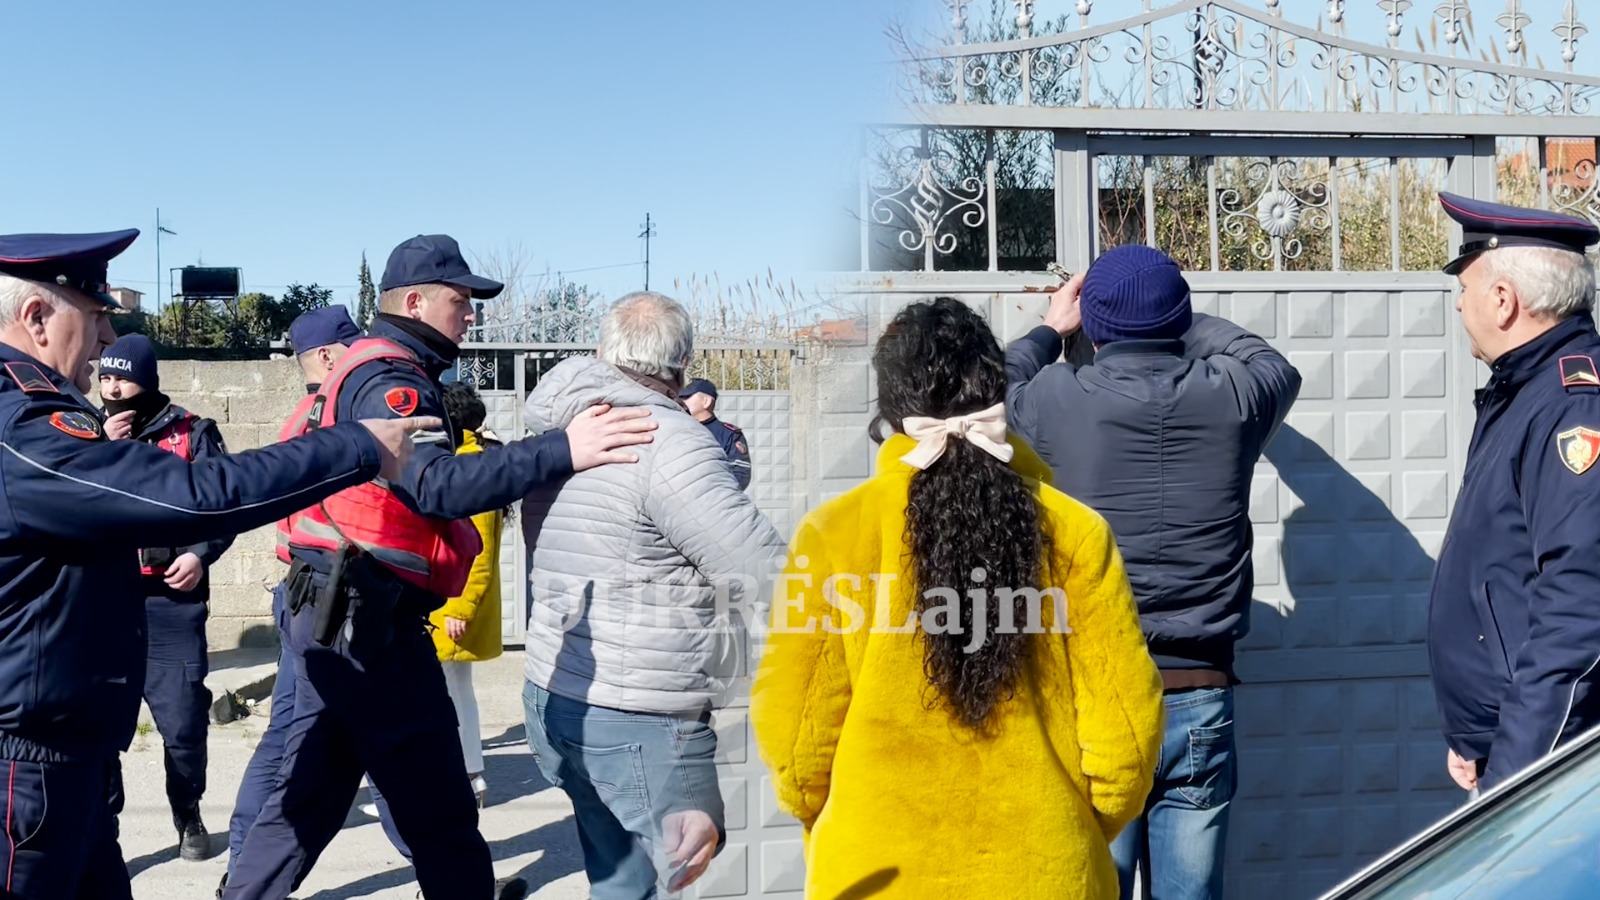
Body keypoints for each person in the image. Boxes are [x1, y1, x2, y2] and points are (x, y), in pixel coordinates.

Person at [0, 230, 433, 899]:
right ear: (35, 317)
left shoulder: (40, 413)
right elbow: (190, 496)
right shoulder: (20, 426)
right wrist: (355, 446)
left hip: (68, 752)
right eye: (95, 316)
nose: (108, 339)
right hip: (25, 765)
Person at [225, 235, 658, 900]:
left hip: (338, 611)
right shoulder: (391, 379)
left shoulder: (371, 367)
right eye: (461, 300)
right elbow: (437, 485)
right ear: (416, 303)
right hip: (365, 622)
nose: (471, 314)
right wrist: (562, 449)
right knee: (435, 803)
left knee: (315, 794)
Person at [751, 297, 1164, 899]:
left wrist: (841, 819)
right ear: (996, 392)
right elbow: (1126, 736)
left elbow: (794, 740)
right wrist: (1073, 823)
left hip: (878, 871)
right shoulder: (1076, 533)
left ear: (892, 409)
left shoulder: (834, 534)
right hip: (1042, 869)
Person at [1005, 244, 1301, 900]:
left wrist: (1051, 329)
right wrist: (1174, 317)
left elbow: (988, 391)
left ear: (1094, 325)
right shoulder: (1235, 396)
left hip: (1095, 695)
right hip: (1200, 694)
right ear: (1179, 316)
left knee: (1095, 888)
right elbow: (1270, 363)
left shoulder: (1055, 397)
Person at [519, 291, 785, 897]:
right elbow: (759, 567)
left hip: (556, 689)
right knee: (684, 879)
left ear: (602, 350)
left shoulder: (564, 429)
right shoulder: (666, 439)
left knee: (620, 879)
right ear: (683, 362)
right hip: (640, 710)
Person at [1426, 192, 1600, 796]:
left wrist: (1515, 780)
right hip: (1509, 745)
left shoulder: (1572, 405)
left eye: (1464, 287)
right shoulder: (1524, 390)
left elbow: (1580, 611)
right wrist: (1474, 734)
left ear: (1503, 300)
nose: (1459, 303)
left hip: (1548, 766)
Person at [223, 304, 361, 890]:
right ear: (327, 357)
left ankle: (241, 866)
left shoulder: (304, 416)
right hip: (330, 601)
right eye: (353, 348)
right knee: (357, 741)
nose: (365, 358)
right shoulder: (339, 415)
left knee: (287, 735)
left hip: (304, 596)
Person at [98, 333, 233, 862]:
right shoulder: (81, 431)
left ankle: (188, 812)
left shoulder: (193, 432)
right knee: (101, 722)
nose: (112, 388)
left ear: (147, 381)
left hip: (172, 604)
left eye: (122, 378)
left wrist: (200, 554)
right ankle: (102, 824)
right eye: (105, 378)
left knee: (183, 722)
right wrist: (99, 448)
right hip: (104, 603)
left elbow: (223, 506)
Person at [364, 382, 509, 859]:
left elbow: (479, 550)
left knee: (449, 695)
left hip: (453, 605)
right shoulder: (467, 458)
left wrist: (461, 609)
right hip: (451, 602)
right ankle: (469, 775)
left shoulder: (468, 465)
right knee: (456, 690)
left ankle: (466, 776)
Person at [680, 377, 752, 489]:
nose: (682, 401)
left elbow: (741, 472)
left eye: (687, 397)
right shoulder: (678, 429)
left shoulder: (729, 434)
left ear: (706, 402)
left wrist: (720, 494)